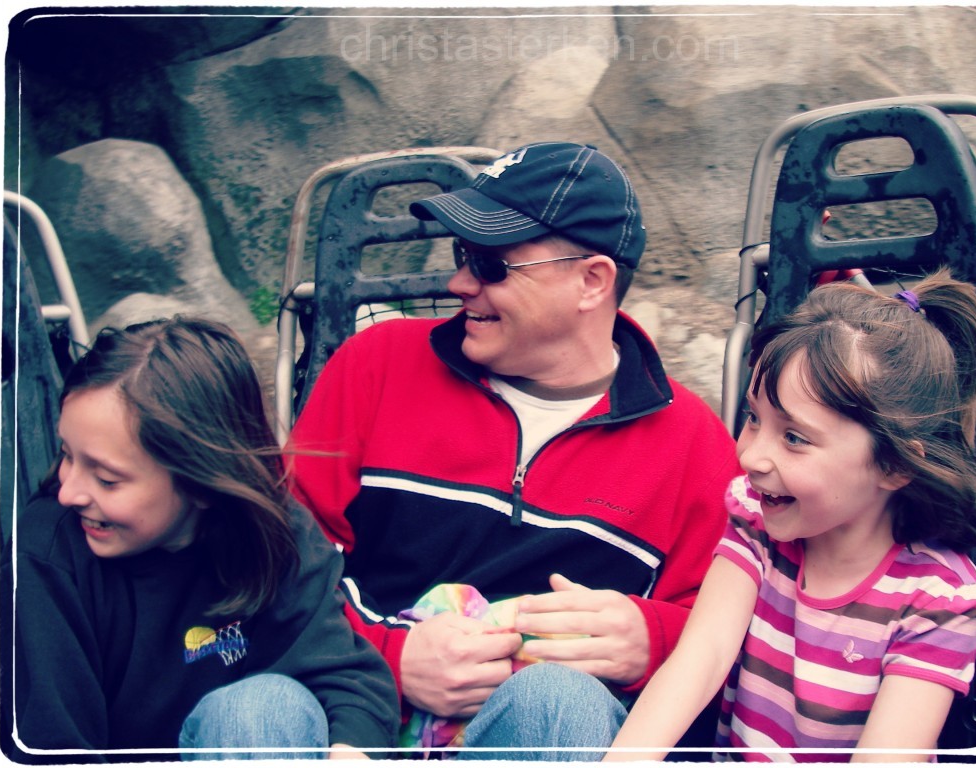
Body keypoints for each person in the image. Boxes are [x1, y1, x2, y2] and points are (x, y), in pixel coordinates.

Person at [287, 141, 742, 760]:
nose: (459, 282)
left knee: (556, 702)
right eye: (461, 255)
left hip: (545, 732)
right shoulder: (376, 365)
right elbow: (278, 562)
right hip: (357, 719)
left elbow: (739, 631)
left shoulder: (692, 446)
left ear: (591, 281)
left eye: (491, 265)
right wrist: (389, 656)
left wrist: (653, 639)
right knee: (255, 707)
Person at [605, 268, 976, 762]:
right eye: (753, 419)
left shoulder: (936, 602)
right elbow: (701, 659)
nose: (750, 457)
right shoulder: (756, 522)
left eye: (794, 437)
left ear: (894, 465)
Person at [0, 317, 400, 762]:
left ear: (202, 484)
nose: (68, 490)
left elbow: (350, 680)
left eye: (107, 479)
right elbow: (48, 749)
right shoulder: (47, 555)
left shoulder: (278, 535)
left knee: (261, 710)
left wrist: (350, 754)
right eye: (66, 455)